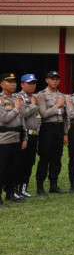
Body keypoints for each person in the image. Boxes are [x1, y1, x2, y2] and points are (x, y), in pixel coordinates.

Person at [36, 70, 68, 195]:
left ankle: (53, 184)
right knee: (44, 157)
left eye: (57, 79)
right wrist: (57, 106)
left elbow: (65, 117)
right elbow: (43, 114)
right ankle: (40, 186)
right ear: (47, 80)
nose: (55, 81)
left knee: (57, 158)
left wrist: (65, 133)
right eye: (52, 78)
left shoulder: (62, 95)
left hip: (59, 129)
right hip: (47, 128)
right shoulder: (41, 95)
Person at [0, 73, 26, 205]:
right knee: (2, 168)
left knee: (13, 169)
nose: (13, 84)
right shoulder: (0, 99)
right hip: (4, 140)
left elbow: (22, 120)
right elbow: (4, 119)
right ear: (2, 84)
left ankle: (10, 194)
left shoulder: (17, 98)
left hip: (16, 138)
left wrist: (25, 137)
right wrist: (16, 109)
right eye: (9, 82)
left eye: (14, 82)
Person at [17, 74, 39, 198]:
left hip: (34, 134)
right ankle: (15, 189)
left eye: (33, 83)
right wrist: (33, 105)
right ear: (22, 84)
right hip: (24, 135)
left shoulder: (33, 97)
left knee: (29, 163)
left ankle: (24, 188)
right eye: (29, 83)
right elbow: (21, 113)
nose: (31, 85)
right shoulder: (18, 97)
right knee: (20, 163)